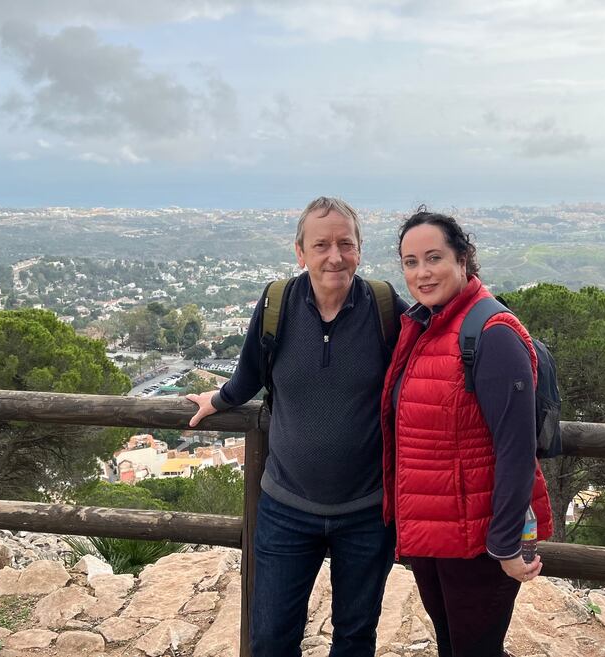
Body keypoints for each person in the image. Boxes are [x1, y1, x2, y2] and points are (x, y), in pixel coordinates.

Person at [187, 196, 407, 657]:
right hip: (285, 508)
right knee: (271, 638)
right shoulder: (276, 305)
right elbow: (249, 374)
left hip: (367, 510)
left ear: (360, 250)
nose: (334, 256)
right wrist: (219, 400)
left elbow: (432, 360)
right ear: (300, 252)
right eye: (321, 244)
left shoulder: (386, 309)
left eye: (345, 243)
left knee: (354, 638)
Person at [381, 209, 553, 657]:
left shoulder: (491, 334)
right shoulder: (425, 324)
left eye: (433, 257)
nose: (422, 272)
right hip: (435, 534)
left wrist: (505, 542)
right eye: (410, 262)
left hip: (479, 541)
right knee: (452, 647)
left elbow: (516, 451)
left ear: (463, 259)